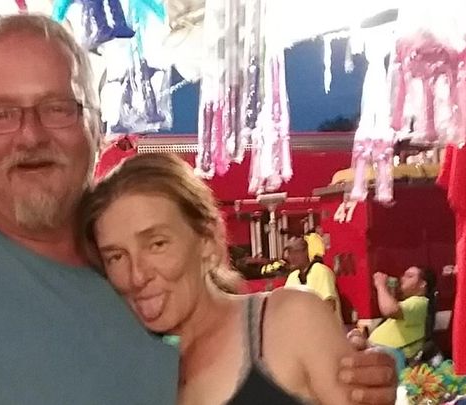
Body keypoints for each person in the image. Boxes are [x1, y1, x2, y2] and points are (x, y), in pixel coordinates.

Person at [0, 14, 395, 404]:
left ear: (95, 125)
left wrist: (359, 376)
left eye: (57, 108)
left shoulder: (136, 292)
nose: (31, 135)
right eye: (2, 113)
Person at [80, 153, 397, 405]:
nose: (137, 275)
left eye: (157, 244)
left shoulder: (288, 321)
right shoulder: (132, 369)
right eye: (116, 257)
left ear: (207, 240)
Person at [369, 267, 437, 372]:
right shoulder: (407, 303)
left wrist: (381, 285)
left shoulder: (420, 302)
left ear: (422, 284)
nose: (402, 279)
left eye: (409, 276)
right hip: (381, 353)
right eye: (404, 275)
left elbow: (390, 310)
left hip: (392, 356)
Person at [284, 237, 343, 322]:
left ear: (305, 252)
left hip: (324, 327)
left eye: (295, 252)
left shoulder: (321, 271)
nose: (291, 257)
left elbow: (329, 306)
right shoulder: (292, 277)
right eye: (289, 253)